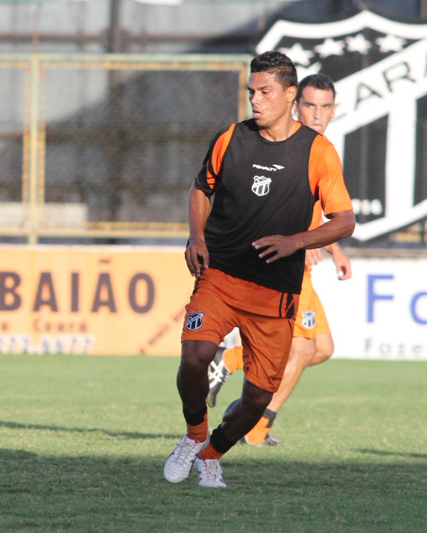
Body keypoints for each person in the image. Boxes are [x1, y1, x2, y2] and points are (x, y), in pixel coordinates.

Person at [163, 53, 355, 488]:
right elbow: (200, 188)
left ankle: (211, 454)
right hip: (221, 276)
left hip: (275, 291)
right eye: (252, 91)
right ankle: (194, 436)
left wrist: (295, 242)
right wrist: (196, 237)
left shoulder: (318, 151)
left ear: (290, 95)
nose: (255, 99)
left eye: (265, 91)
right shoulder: (231, 138)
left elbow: (344, 220)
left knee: (257, 398)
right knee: (193, 357)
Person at [206, 74, 352, 447]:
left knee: (322, 348)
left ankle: (232, 362)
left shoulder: (318, 147)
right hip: (285, 265)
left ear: (334, 110)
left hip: (302, 259)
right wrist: (300, 243)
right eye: (309, 105)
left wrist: (333, 249)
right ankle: (256, 426)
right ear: (294, 103)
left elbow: (323, 209)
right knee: (302, 347)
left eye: (325, 107)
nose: (317, 114)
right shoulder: (287, 145)